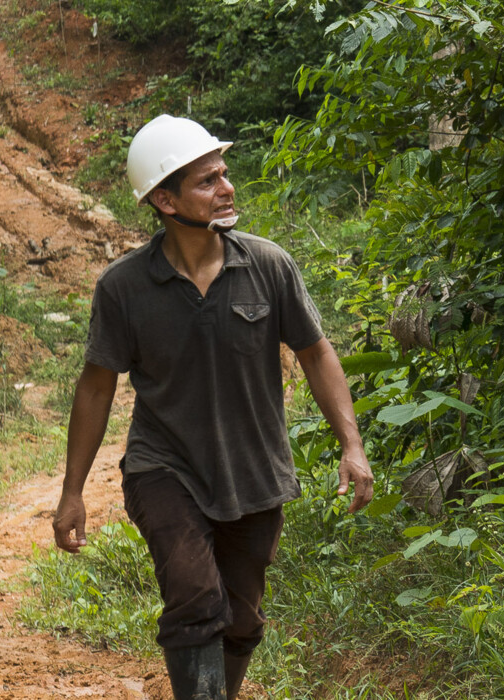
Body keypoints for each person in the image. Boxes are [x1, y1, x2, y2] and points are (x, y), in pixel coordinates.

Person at [51, 114, 374, 700]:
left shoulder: (268, 265)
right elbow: (96, 387)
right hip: (164, 468)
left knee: (241, 617)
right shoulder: (124, 287)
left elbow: (317, 354)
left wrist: (352, 445)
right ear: (164, 200)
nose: (226, 188)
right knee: (196, 599)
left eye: (224, 175)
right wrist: (72, 491)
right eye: (206, 181)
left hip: (255, 471)